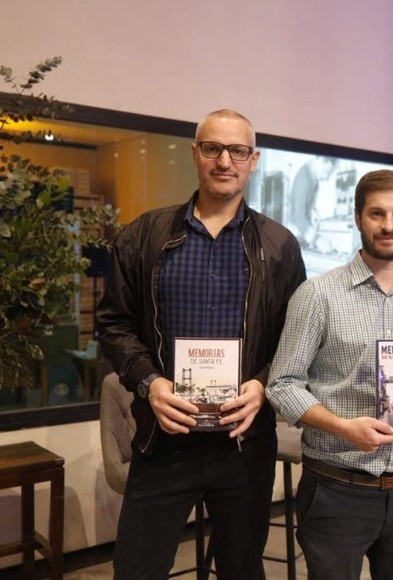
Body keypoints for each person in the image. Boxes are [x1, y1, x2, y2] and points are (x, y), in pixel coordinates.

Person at [96, 109, 306, 579]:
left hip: (243, 445)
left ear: (253, 160)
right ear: (196, 154)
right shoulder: (145, 236)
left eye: (237, 151)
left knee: (240, 569)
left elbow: (296, 340)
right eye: (213, 148)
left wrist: (263, 384)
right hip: (163, 440)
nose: (224, 160)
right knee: (136, 569)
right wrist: (149, 383)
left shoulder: (279, 246)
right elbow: (114, 325)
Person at [266, 169, 393, 580]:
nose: (388, 225)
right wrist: (343, 428)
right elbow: (282, 385)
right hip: (336, 489)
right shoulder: (318, 295)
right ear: (358, 217)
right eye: (377, 213)